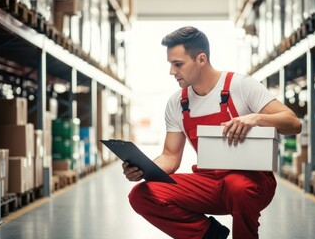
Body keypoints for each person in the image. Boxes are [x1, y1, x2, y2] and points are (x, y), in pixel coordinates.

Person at [122, 26, 301, 239]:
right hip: (209, 182)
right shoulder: (177, 103)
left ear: (201, 59)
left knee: (237, 186)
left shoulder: (241, 86)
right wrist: (143, 169)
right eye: (170, 64)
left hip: (252, 182)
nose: (172, 71)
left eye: (178, 64)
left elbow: (293, 123)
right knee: (142, 195)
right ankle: (209, 235)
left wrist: (257, 118)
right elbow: (170, 157)